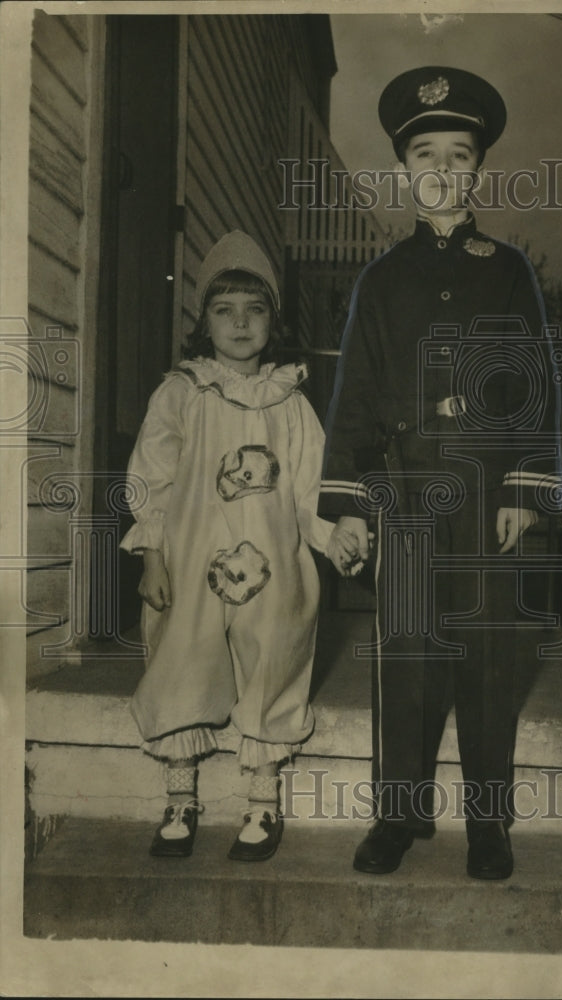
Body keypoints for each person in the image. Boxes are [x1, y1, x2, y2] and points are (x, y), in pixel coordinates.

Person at [320, 67, 562, 879]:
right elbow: (354, 392)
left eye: (459, 155)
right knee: (409, 658)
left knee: (489, 660)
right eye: (425, 153)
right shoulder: (381, 280)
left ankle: (488, 825)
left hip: (487, 490)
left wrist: (527, 488)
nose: (442, 169)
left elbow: (534, 381)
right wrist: (349, 504)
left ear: (478, 169)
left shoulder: (508, 271)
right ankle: (399, 814)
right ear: (402, 167)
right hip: (410, 493)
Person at [120, 230, 335, 861]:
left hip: (275, 561)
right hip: (190, 561)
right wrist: (153, 552)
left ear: (274, 319)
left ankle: (262, 803)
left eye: (255, 310)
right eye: (224, 310)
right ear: (203, 321)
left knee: (270, 656)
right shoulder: (183, 392)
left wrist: (333, 535)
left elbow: (310, 488)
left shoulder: (290, 401)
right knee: (183, 658)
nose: (240, 324)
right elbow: (150, 476)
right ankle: (181, 797)